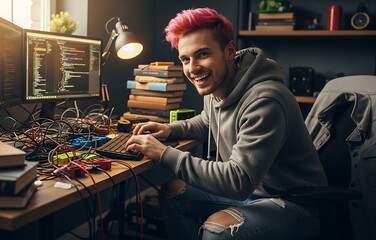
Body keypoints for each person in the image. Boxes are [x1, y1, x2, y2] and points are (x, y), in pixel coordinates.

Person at [125, 7, 327, 240]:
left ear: (229, 50)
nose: (192, 68)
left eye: (202, 54)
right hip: (255, 191)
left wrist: (163, 154)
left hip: (293, 201)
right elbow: (207, 120)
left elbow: (238, 181)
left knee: (217, 231)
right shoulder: (218, 84)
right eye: (185, 59)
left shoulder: (266, 99)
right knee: (172, 194)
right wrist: (170, 129)